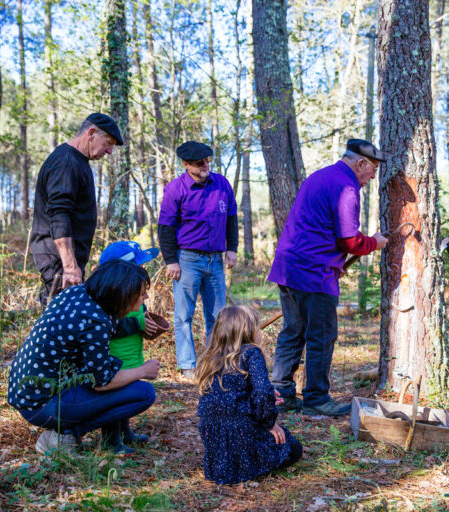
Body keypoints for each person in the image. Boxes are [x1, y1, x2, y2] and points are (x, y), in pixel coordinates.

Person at [267, 139, 389, 417]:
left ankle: (282, 393)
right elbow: (349, 240)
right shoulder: (347, 187)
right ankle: (316, 399)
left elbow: (316, 227)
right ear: (360, 163)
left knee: (293, 331)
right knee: (321, 336)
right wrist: (374, 243)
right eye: (373, 169)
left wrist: (334, 261)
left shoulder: (320, 176)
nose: (373, 176)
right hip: (312, 273)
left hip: (290, 267)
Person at [7, 260, 160, 456]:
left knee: (118, 371)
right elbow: (102, 382)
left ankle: (64, 433)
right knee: (144, 392)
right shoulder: (95, 321)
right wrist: (142, 371)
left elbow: (111, 327)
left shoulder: (79, 294)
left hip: (28, 393)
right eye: (141, 294)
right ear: (121, 295)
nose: (145, 297)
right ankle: (64, 436)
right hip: (43, 405)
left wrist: (138, 324)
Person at [158, 141, 238, 380]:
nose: (205, 166)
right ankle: (188, 366)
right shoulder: (175, 189)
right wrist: (171, 260)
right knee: (184, 315)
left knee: (218, 314)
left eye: (207, 161)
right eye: (199, 163)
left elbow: (232, 218)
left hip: (215, 260)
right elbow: (165, 227)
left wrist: (232, 248)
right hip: (187, 259)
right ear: (186, 164)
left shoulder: (221, 183)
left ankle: (216, 363)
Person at [196, 305, 302, 484]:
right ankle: (248, 465)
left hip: (212, 433)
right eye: (257, 327)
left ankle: (229, 464)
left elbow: (225, 396)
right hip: (241, 431)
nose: (259, 332)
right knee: (293, 447)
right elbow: (262, 393)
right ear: (247, 331)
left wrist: (262, 394)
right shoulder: (251, 353)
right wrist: (269, 423)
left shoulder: (211, 357)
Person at [30, 113, 123, 305]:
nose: (110, 151)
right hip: (59, 261)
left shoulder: (78, 161)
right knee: (62, 324)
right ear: (91, 133)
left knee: (63, 321)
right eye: (108, 143)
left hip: (64, 260)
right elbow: (59, 213)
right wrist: (70, 266)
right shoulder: (67, 162)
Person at [99, 241, 167, 445]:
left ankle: (125, 432)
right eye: (137, 266)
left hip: (132, 354)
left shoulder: (134, 290)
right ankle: (110, 440)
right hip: (116, 355)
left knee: (126, 392)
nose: (141, 271)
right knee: (115, 394)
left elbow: (139, 315)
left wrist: (149, 325)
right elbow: (113, 326)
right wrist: (138, 323)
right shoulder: (109, 298)